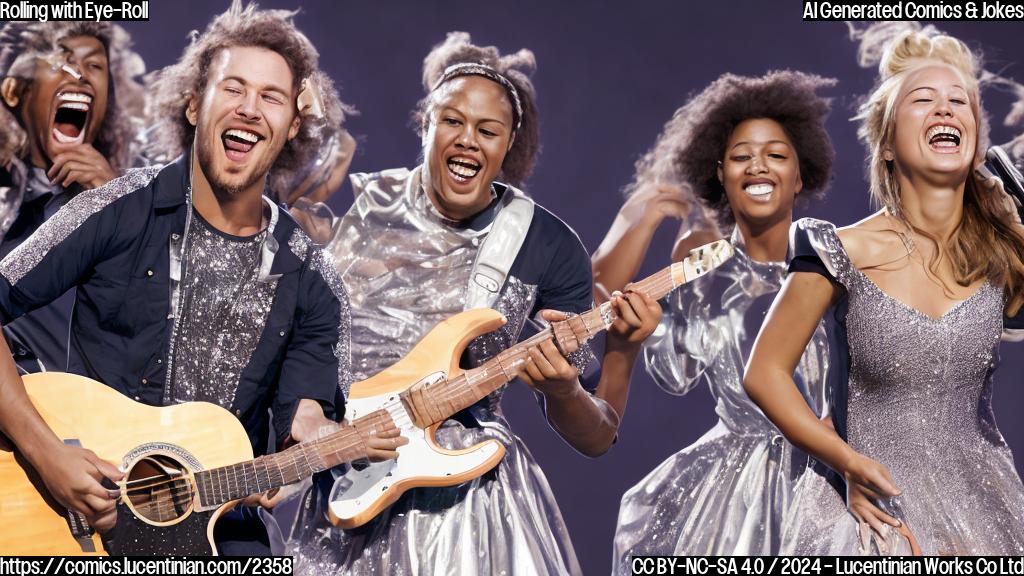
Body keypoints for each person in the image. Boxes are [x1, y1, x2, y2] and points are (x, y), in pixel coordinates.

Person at [0, 1, 400, 555]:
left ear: (289, 130)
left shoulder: (313, 279)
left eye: (271, 97)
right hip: (79, 526)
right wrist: (48, 454)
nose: (250, 109)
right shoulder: (116, 208)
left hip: (220, 537)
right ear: (193, 104)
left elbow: (305, 418)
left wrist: (320, 451)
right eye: (233, 88)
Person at [289, 32, 660, 575]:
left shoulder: (546, 243)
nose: (468, 140)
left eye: (488, 130)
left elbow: (597, 436)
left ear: (508, 145)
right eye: (452, 122)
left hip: (469, 511)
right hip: (346, 481)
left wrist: (586, 374)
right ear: (425, 124)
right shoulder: (354, 204)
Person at [744, 29, 1024, 555]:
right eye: (923, 101)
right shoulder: (837, 249)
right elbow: (764, 373)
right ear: (888, 144)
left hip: (986, 509)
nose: (944, 109)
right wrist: (845, 461)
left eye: (958, 102)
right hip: (870, 513)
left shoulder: (1004, 253)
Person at [592, 71, 835, 564]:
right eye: (741, 156)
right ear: (720, 174)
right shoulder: (702, 268)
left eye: (776, 155)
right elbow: (662, 359)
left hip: (834, 468)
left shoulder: (838, 256)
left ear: (801, 174)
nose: (757, 166)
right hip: (734, 493)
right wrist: (646, 209)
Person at [0, 21, 145, 373]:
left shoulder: (141, 196)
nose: (78, 74)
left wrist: (115, 202)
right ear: (15, 91)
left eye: (94, 66)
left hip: (102, 414)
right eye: (59, 60)